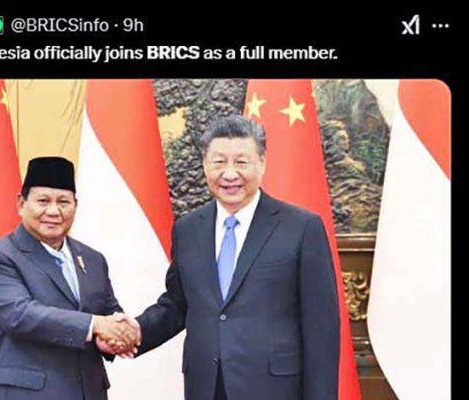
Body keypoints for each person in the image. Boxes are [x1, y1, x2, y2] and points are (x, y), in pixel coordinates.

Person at [115, 115, 340, 400]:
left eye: (241, 162)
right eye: (219, 162)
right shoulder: (188, 230)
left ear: (262, 163)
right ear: (205, 165)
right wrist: (137, 330)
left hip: (275, 389)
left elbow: (321, 328)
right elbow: (178, 305)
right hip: (207, 387)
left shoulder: (301, 228)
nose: (230, 174)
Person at [0, 156, 139, 400]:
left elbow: (108, 311)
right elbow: (20, 314)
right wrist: (95, 326)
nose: (53, 211)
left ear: (75, 206)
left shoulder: (92, 259)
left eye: (63, 202)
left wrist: (115, 335)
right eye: (43, 201)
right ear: (21, 204)